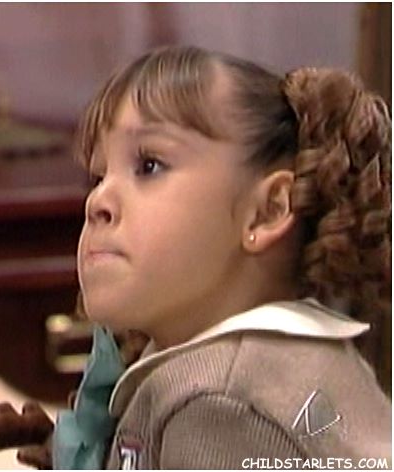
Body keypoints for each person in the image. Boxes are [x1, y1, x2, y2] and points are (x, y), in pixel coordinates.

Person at [51, 45, 391, 469]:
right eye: (99, 175)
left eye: (149, 165)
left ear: (268, 210)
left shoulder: (222, 406)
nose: (98, 200)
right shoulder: (255, 369)